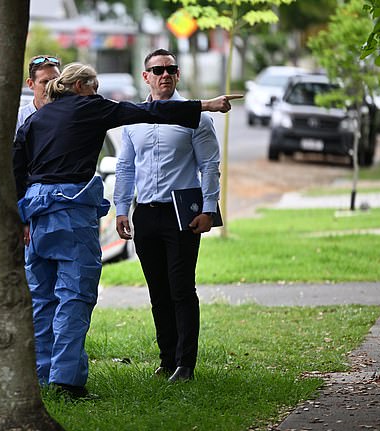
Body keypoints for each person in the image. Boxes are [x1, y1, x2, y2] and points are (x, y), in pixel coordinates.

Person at [13, 62, 235, 398]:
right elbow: (148, 111)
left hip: (35, 213)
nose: (97, 93)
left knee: (42, 299)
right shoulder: (89, 107)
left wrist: (20, 219)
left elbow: (17, 168)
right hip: (71, 212)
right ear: (80, 86)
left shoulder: (35, 119)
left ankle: (40, 377)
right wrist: (205, 105)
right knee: (75, 296)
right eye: (94, 86)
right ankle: (66, 381)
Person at [114, 48, 226, 383]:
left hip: (182, 215)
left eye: (171, 69)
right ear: (145, 76)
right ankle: (166, 359)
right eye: (157, 70)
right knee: (158, 292)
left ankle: (185, 365)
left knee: (181, 288)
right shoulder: (134, 117)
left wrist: (209, 209)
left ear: (177, 75)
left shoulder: (195, 117)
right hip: (145, 215)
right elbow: (125, 166)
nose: (165, 75)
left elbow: (209, 166)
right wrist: (122, 208)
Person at [16, 55, 61, 130]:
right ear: (30, 83)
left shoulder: (69, 115)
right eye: (45, 82)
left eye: (55, 81)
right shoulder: (19, 118)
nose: (51, 87)